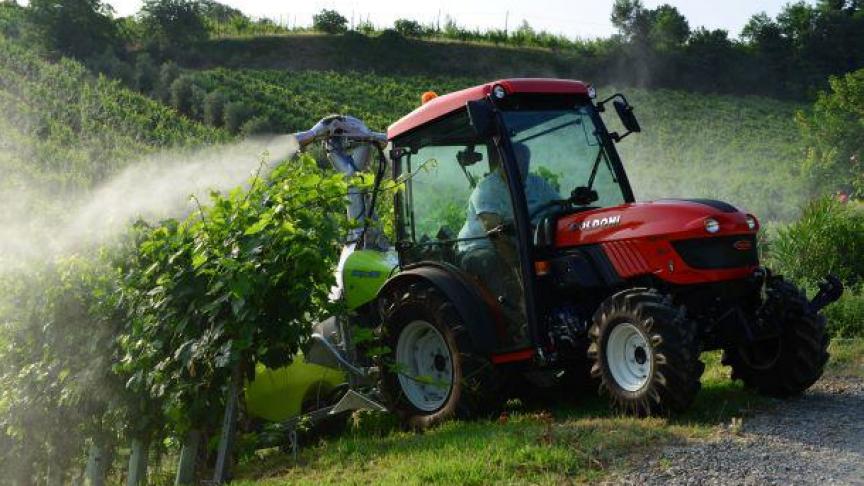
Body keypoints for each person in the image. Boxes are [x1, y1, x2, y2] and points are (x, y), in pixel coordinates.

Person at [456, 143, 559, 342]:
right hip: (481, 246)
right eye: (515, 162)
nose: (521, 167)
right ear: (503, 162)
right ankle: (519, 328)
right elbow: (495, 234)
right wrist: (521, 275)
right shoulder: (487, 189)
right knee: (492, 264)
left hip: (524, 243)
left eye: (524, 163)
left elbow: (559, 207)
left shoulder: (537, 184)